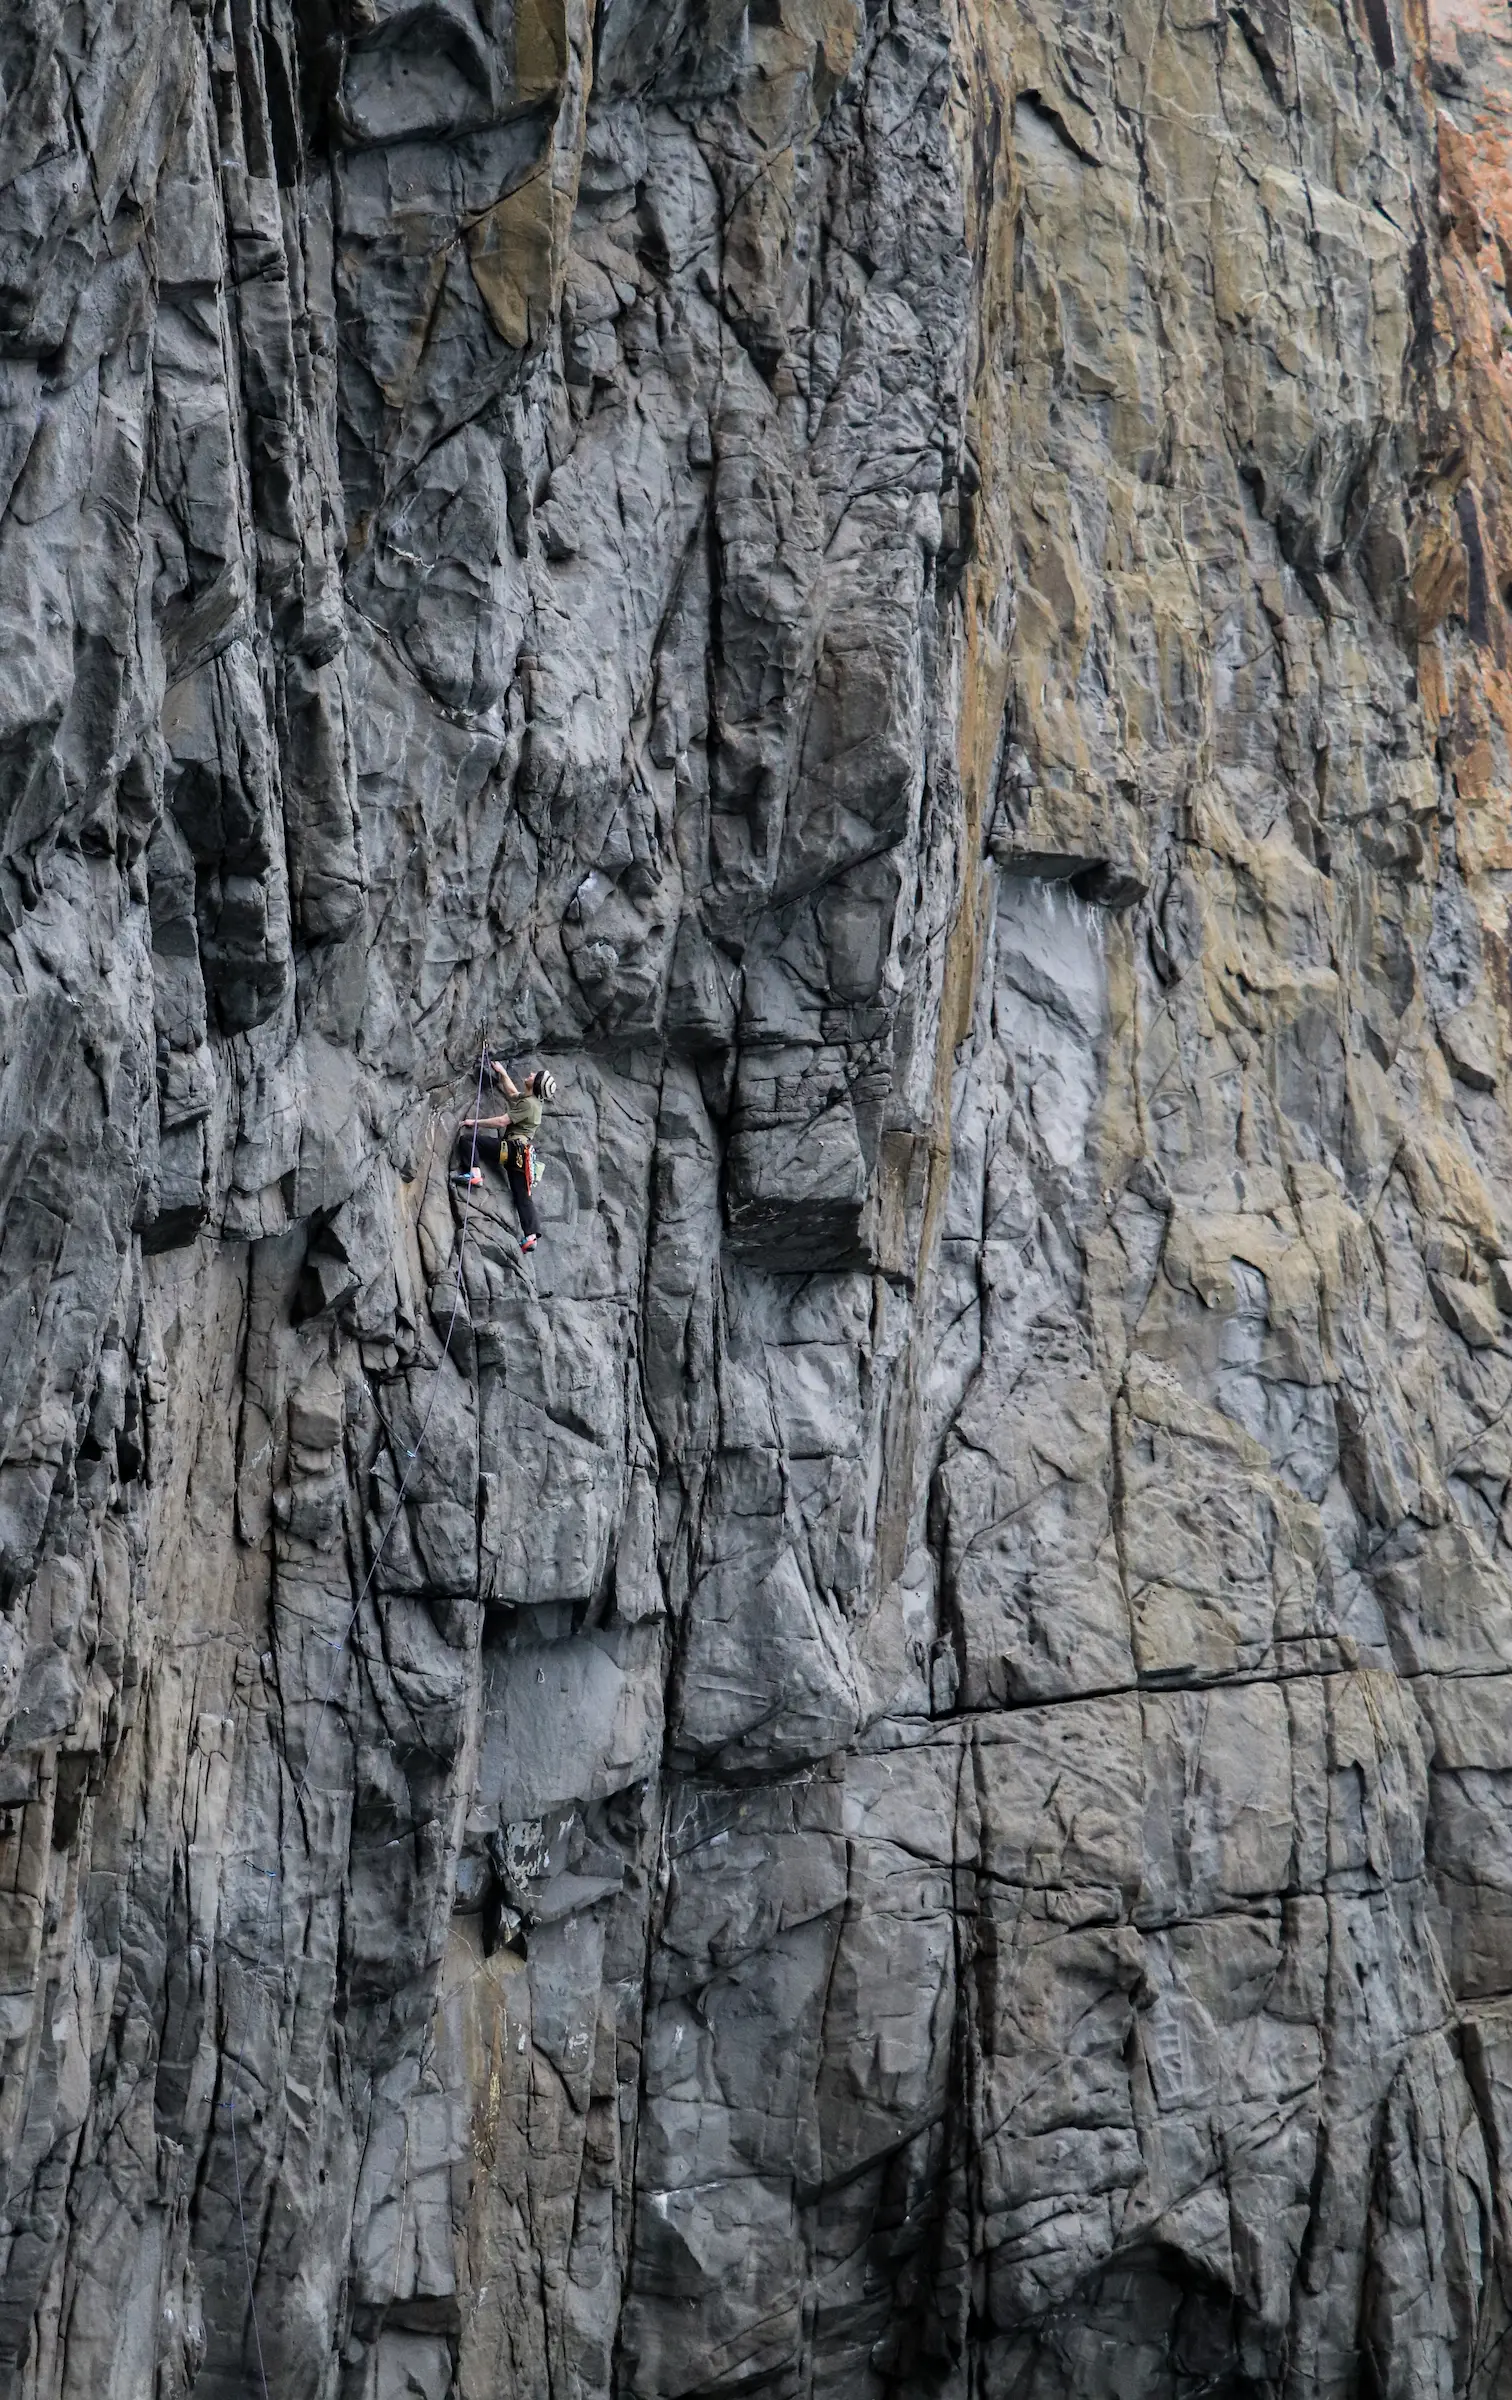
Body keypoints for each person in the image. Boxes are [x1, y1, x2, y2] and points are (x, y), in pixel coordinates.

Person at [457, 1062, 558, 1253]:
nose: (531, 1073)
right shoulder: (532, 1101)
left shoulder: (529, 1104)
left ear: (536, 1084)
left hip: (511, 1149)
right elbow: (512, 1094)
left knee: (468, 1141)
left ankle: (475, 1173)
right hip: (522, 1157)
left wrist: (475, 1122)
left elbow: (502, 1121)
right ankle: (531, 1236)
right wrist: (502, 1073)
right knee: (522, 1195)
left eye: (535, 1075)